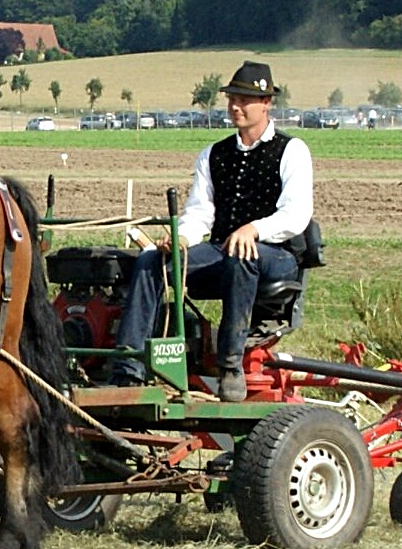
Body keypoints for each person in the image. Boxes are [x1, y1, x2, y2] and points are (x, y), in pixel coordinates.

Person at [113, 61, 315, 402]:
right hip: (222, 249)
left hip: (277, 256)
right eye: (232, 98)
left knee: (242, 254)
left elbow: (296, 215)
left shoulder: (292, 151)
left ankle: (230, 365)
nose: (236, 106)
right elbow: (200, 214)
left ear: (266, 103)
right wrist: (181, 239)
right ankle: (128, 368)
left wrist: (254, 229)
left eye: (245, 100)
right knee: (151, 261)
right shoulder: (213, 154)